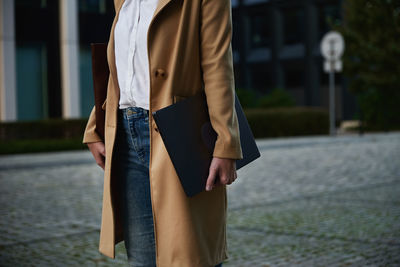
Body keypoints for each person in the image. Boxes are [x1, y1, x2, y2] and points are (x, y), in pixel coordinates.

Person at [83, 0, 243, 266]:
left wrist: (225, 141)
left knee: (191, 255)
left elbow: (217, 65)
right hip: (126, 137)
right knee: (143, 259)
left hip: (180, 135)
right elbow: (121, 69)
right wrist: (96, 126)